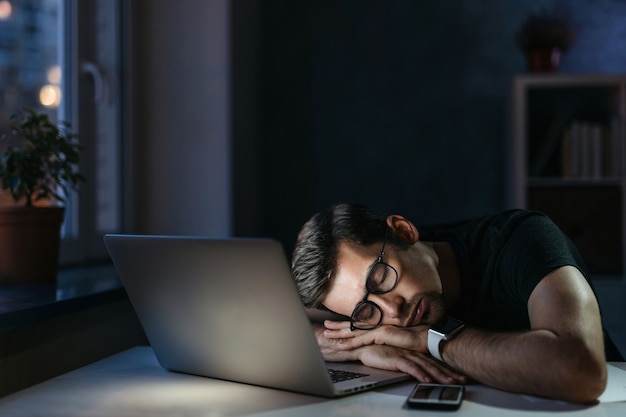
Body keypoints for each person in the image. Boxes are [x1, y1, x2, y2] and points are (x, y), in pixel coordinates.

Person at [290, 203, 619, 404]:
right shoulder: (380, 309)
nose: (394, 313)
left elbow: (579, 370)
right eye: (365, 311)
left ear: (403, 232)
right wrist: (356, 347)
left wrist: (432, 340)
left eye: (380, 278)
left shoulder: (524, 238)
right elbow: (277, 319)